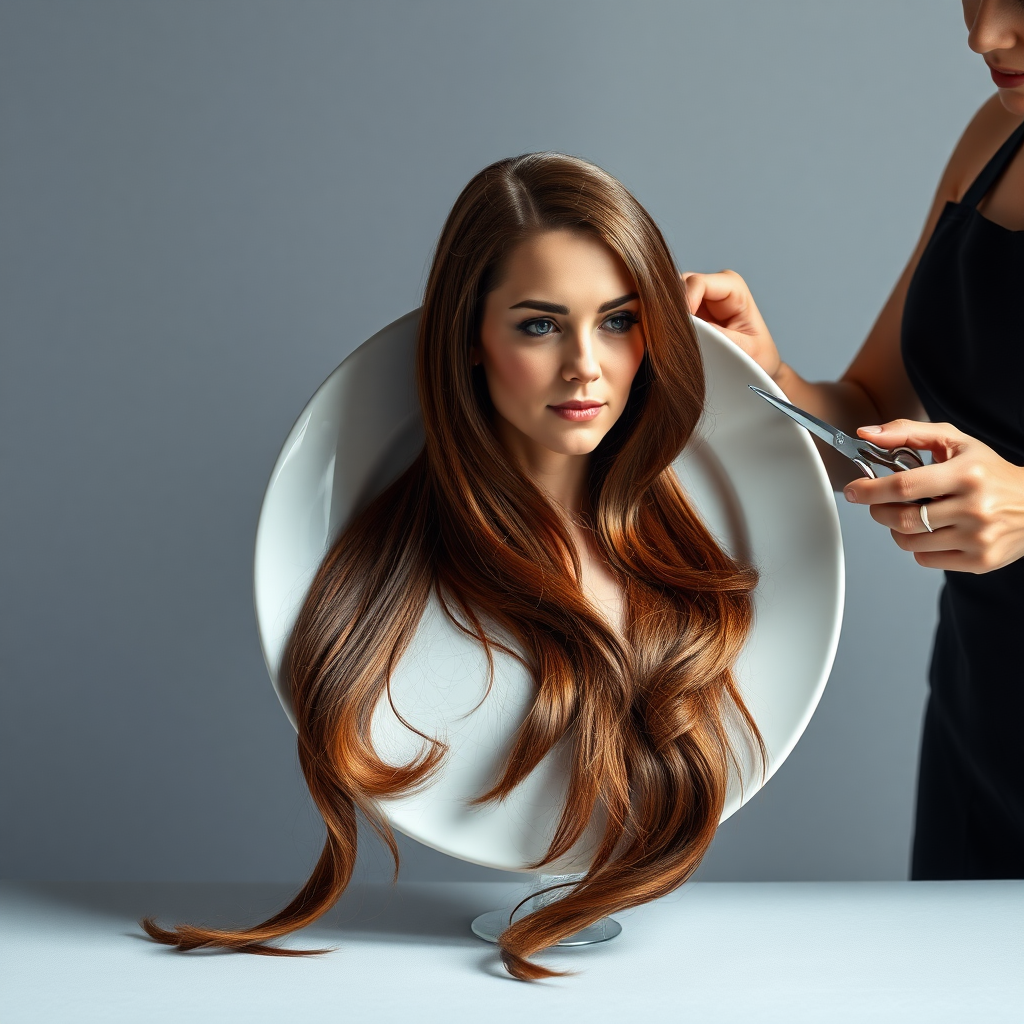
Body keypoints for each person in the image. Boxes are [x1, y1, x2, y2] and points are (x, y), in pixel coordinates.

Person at [143, 152, 764, 980]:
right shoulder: (379, 573)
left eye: (618, 321)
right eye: (539, 325)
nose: (586, 364)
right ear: (471, 338)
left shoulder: (707, 559)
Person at [683, 0, 1024, 880]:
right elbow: (866, 408)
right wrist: (763, 377)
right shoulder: (997, 133)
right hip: (984, 732)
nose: (984, 35)